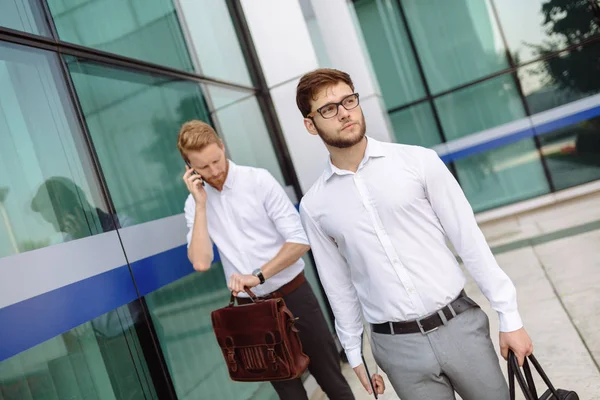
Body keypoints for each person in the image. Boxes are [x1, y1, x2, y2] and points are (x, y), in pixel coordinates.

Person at [296, 68, 533, 400]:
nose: (345, 112)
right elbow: (338, 287)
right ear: (310, 124)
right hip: (396, 348)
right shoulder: (315, 205)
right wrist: (355, 353)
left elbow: (469, 241)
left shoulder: (418, 162)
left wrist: (509, 316)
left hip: (459, 328)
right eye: (328, 108)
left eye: (349, 100)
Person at [177, 120, 371, 400]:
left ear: (222, 146)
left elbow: (299, 240)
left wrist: (257, 276)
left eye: (216, 160)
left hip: (295, 297)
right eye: (204, 167)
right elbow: (201, 261)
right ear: (190, 168)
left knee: (333, 383)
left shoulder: (258, 181)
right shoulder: (195, 205)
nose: (215, 171)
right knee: (290, 396)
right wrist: (201, 204)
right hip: (252, 312)